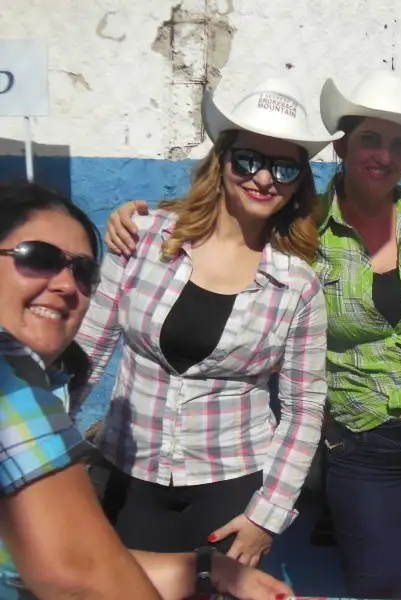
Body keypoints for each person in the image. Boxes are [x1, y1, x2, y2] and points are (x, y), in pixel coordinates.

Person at [104, 70, 401, 600]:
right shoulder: (302, 230)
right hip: (368, 436)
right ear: (341, 146)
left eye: (400, 144)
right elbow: (228, 229)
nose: (384, 155)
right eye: (370, 138)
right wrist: (142, 216)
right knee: (377, 586)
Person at [75, 77, 334, 565]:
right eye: (248, 160)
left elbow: (304, 408)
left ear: (300, 181)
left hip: (231, 485)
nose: (264, 179)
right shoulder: (144, 239)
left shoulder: (296, 284)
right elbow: (88, 350)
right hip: (129, 472)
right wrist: (36, 448)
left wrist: (268, 515)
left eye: (285, 168)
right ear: (222, 161)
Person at [0, 179, 293, 600]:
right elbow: (80, 574)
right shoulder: (14, 390)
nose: (65, 284)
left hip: (230, 475)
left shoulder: (294, 278)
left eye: (83, 270)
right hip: (133, 471)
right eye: (38, 258)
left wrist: (210, 568)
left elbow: (79, 564)